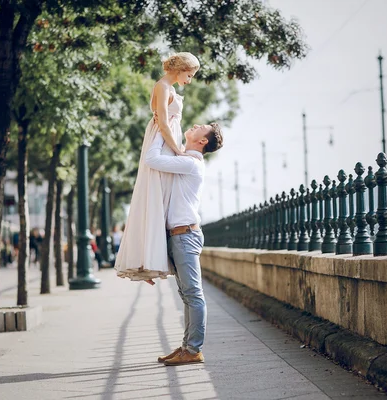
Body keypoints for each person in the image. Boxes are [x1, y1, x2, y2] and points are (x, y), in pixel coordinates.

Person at [115, 52, 200, 284]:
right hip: (162, 144)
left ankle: (153, 261)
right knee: (156, 199)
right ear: (181, 68)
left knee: (162, 201)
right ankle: (147, 262)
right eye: (189, 75)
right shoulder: (162, 86)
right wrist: (179, 150)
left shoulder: (168, 88)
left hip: (167, 143)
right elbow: (163, 122)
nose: (189, 80)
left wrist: (179, 149)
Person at [145, 123, 223, 366]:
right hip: (178, 235)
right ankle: (187, 346)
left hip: (185, 235)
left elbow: (151, 158)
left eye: (203, 128)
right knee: (187, 295)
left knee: (193, 294)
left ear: (202, 142)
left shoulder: (190, 163)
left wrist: (159, 126)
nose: (196, 125)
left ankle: (193, 349)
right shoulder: (184, 158)